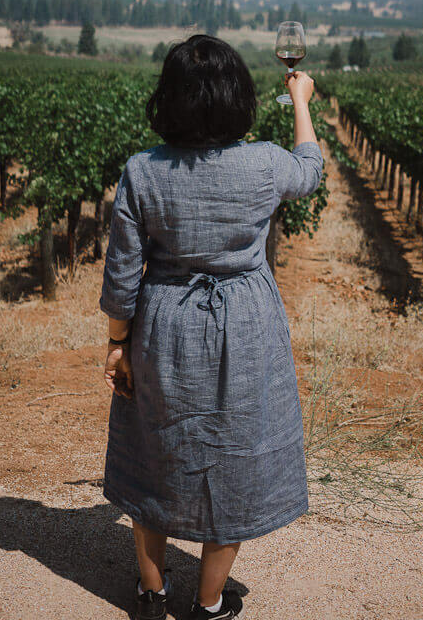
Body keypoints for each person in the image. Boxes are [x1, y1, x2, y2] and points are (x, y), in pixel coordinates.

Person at [100, 33, 324, 620]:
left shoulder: (142, 171)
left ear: (168, 99)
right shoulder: (263, 163)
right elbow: (311, 169)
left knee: (153, 449)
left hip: (163, 324)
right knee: (235, 459)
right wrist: (301, 99)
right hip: (244, 326)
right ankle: (209, 601)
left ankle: (151, 594)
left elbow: (123, 273)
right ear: (237, 97)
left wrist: (117, 345)